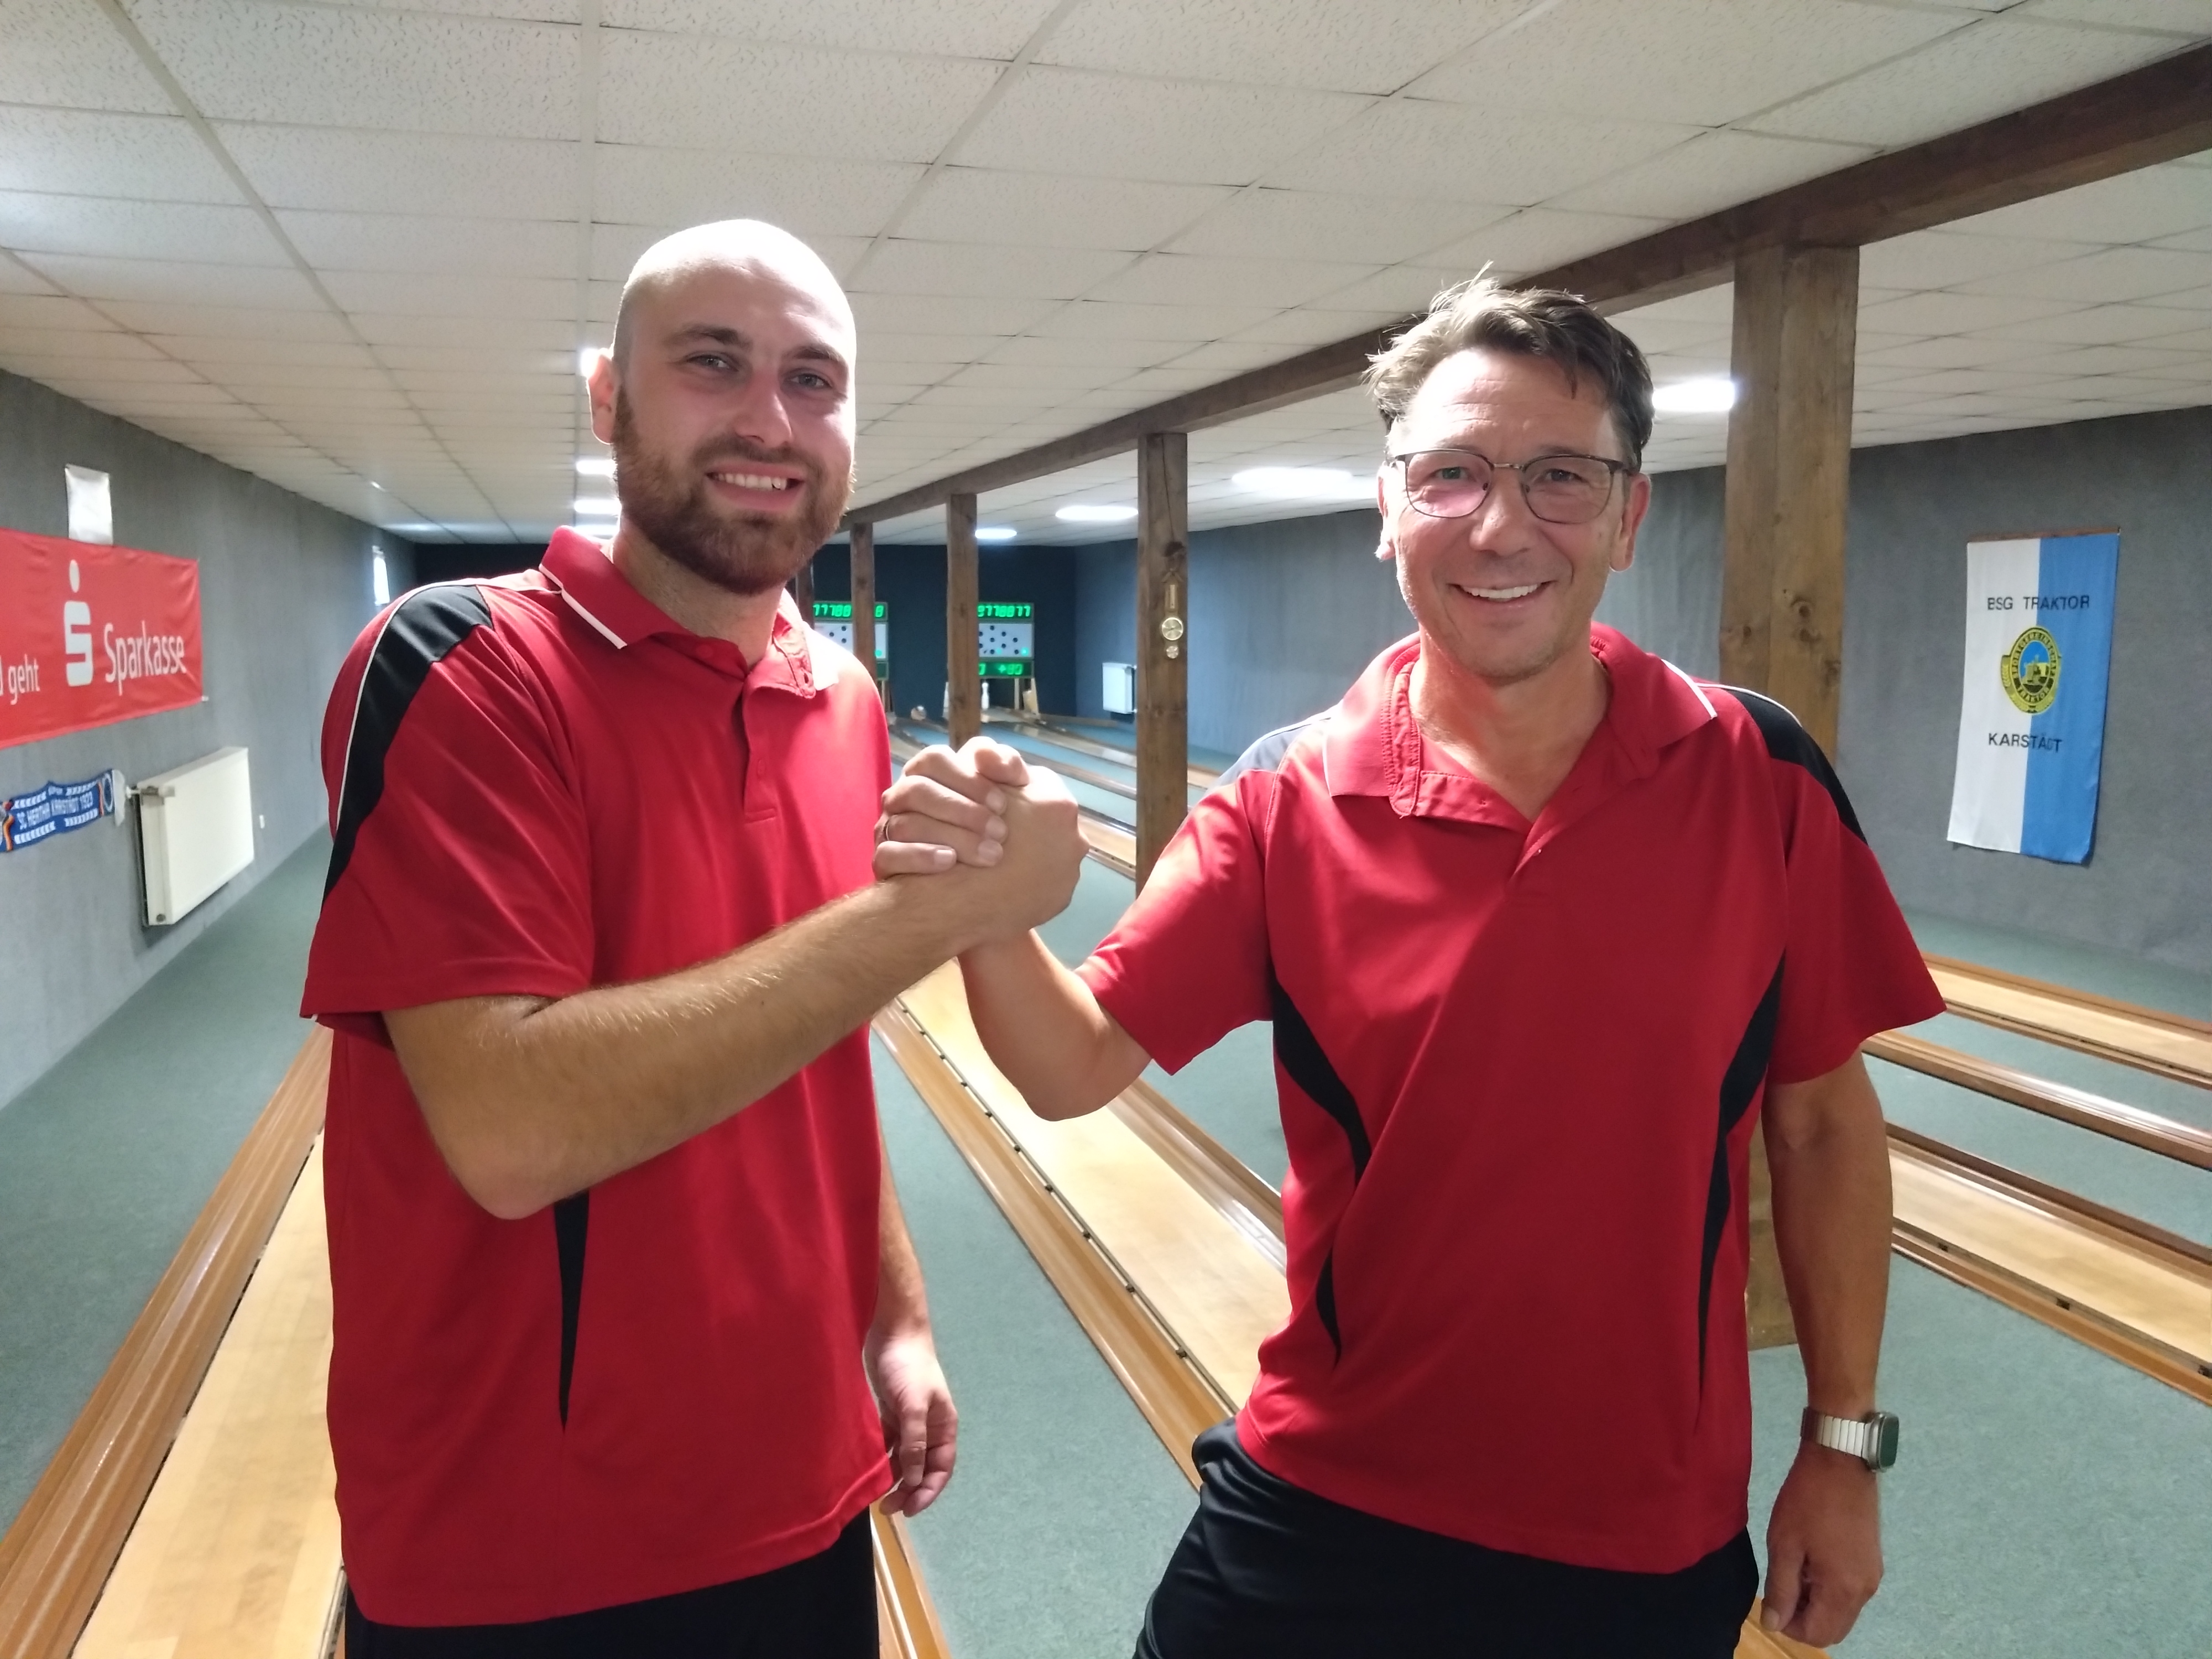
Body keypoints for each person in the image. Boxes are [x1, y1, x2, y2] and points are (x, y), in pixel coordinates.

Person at [878, 277, 1943, 1657]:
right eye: (1451, 474)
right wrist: (982, 906)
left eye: (1559, 476)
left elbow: (1819, 1125)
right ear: (1388, 509)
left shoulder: (1758, 774)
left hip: (1638, 1534)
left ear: (1627, 516)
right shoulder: (1285, 797)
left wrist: (1842, 1444)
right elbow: (1071, 1064)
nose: (1500, 525)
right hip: (1329, 1504)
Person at [301, 220, 1083, 1656]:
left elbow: (815, 1046)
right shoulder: (460, 664)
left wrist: (893, 1314)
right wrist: (947, 909)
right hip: (518, 1551)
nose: (768, 420)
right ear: (608, 399)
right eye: (713, 364)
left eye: (812, 379)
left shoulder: (844, 701)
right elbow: (510, 1128)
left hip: (799, 1498)